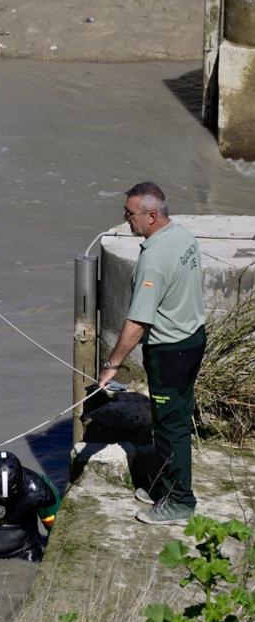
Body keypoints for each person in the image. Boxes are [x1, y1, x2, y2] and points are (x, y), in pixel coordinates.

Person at [97, 182, 205, 525]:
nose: (126, 220)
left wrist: (111, 365)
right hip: (193, 338)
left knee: (170, 425)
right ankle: (166, 484)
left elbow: (137, 323)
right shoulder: (183, 236)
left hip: (170, 352)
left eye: (130, 214)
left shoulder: (153, 261)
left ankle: (180, 501)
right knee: (177, 415)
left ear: (152, 215)